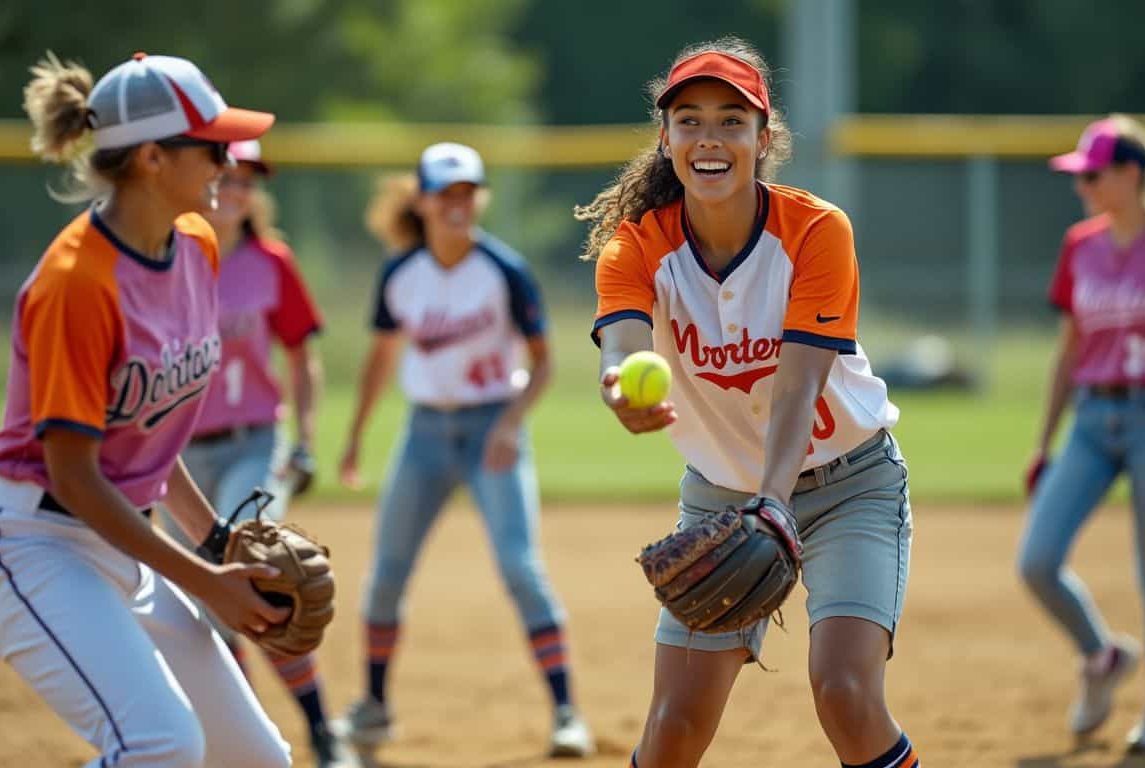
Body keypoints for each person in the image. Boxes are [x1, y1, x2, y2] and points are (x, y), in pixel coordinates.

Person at [578, 37, 921, 768]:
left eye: (732, 121)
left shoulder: (816, 231)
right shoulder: (634, 248)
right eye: (689, 120)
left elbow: (799, 385)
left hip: (850, 486)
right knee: (672, 728)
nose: (710, 137)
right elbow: (624, 349)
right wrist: (620, 389)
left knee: (845, 694)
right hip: (720, 498)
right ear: (665, 140)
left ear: (765, 139)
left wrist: (775, 502)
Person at [0, 52, 293, 767]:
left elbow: (150, 435)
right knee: (159, 745)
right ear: (151, 158)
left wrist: (217, 542)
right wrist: (206, 585)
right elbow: (74, 476)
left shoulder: (195, 244)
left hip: (124, 543)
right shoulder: (76, 284)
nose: (227, 161)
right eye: (212, 145)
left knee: (257, 758)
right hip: (32, 544)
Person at [333, 142, 595, 758]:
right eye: (445, 193)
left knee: (519, 568)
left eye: (467, 192)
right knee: (385, 578)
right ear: (422, 201)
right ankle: (372, 710)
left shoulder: (503, 270)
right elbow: (379, 362)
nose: (457, 204)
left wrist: (511, 422)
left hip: (490, 431)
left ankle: (566, 713)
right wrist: (353, 441)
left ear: (480, 198)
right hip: (424, 434)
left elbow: (544, 362)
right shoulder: (401, 275)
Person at [1018, 114, 1145, 754]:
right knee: (1038, 562)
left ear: (1131, 174)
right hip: (1090, 420)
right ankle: (1102, 655)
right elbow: (1069, 350)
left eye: (1093, 173)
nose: (1082, 184)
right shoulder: (1080, 244)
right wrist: (1043, 442)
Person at [159, 138, 349, 767]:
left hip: (252, 443)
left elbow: (301, 354)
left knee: (260, 573)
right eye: (230, 176)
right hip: (178, 460)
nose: (238, 190)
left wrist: (305, 440)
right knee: (202, 602)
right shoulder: (168, 258)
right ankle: (241, 733)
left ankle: (323, 731)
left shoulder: (270, 261)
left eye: (249, 181)